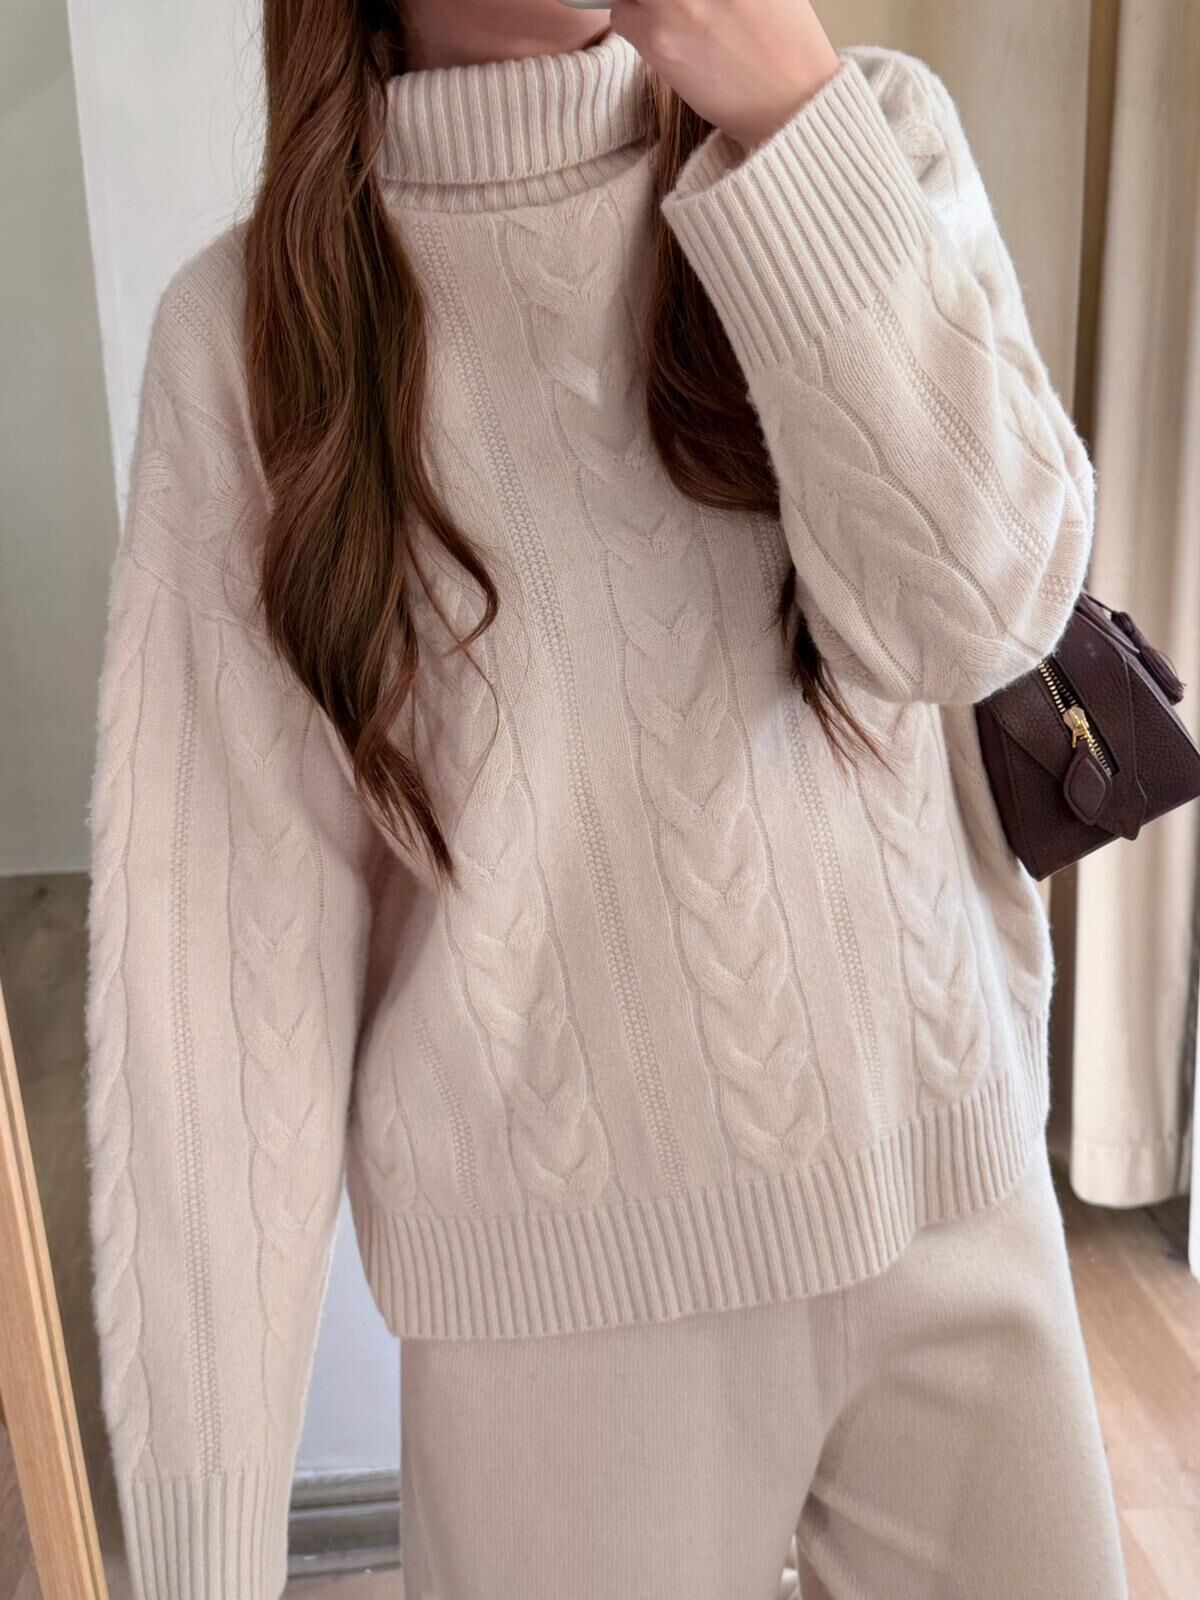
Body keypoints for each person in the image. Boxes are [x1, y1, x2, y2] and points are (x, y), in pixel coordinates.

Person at [85, 2, 1130, 1597]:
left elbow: (975, 622)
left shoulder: (868, 132)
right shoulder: (248, 344)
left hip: (955, 1209)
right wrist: (198, 1562)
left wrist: (789, 120)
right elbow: (217, 1007)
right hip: (557, 1333)